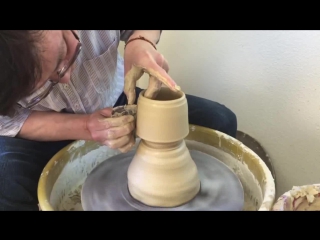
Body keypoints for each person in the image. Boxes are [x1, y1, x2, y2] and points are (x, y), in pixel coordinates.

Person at [0, 30, 237, 211]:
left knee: (220, 120)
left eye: (64, 51)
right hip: (41, 127)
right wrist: (83, 127)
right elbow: (6, 122)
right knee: (7, 179)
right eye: (44, 84)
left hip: (116, 102)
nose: (67, 77)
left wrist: (140, 41)